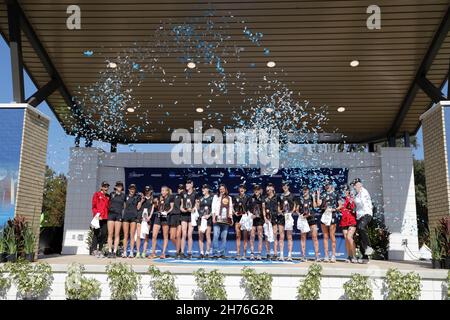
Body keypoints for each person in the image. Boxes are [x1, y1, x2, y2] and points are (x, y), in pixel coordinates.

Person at [314, 181, 340, 263]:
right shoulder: (323, 194)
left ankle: (333, 255)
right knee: (325, 236)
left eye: (328, 185)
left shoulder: (336, 194)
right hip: (324, 216)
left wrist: (334, 209)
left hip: (332, 215)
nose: (327, 186)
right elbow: (318, 204)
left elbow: (340, 205)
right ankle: (326, 255)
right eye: (325, 185)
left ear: (331, 185)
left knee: (332, 235)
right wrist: (317, 195)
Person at [295, 185, 320, 262]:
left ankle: (317, 256)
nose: (305, 191)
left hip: (312, 219)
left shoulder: (311, 198)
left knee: (314, 237)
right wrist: (301, 215)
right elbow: (296, 209)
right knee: (303, 238)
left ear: (308, 190)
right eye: (304, 190)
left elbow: (316, 206)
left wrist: (314, 197)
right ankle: (303, 256)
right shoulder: (300, 199)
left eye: (306, 190)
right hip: (304, 220)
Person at [352, 178, 374, 264]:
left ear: (360, 184)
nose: (354, 187)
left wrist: (356, 195)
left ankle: (369, 246)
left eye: (355, 185)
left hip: (366, 214)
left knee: (361, 227)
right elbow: (357, 207)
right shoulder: (357, 195)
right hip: (359, 216)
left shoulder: (364, 192)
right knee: (360, 236)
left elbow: (363, 203)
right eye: (354, 186)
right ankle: (365, 257)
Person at [150, 186, 174, 259]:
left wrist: (166, 212)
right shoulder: (159, 197)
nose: (162, 192)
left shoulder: (170, 197)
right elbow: (156, 206)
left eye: (164, 190)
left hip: (165, 216)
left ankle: (163, 253)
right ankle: (153, 253)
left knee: (165, 236)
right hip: (158, 216)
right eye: (161, 190)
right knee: (154, 235)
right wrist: (155, 203)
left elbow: (172, 207)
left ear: (167, 191)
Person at [122, 184, 145, 258]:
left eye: (133, 189)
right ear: (128, 189)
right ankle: (125, 252)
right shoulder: (126, 196)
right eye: (131, 189)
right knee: (125, 235)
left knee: (132, 235)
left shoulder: (137, 197)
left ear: (135, 190)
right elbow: (124, 206)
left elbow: (138, 207)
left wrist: (141, 201)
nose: (132, 190)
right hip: (126, 217)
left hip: (133, 217)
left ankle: (131, 252)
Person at [212, 184, 233, 258]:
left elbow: (230, 209)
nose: (222, 190)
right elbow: (213, 207)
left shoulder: (229, 198)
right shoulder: (216, 197)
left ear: (225, 189)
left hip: (226, 219)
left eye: (223, 189)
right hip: (217, 218)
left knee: (224, 236)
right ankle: (215, 253)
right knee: (215, 235)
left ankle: (222, 253)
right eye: (220, 189)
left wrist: (231, 219)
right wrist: (213, 217)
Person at [247, 184, 266, 260]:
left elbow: (264, 209)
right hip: (252, 220)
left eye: (257, 190)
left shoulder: (263, 199)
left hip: (260, 219)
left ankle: (259, 253)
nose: (256, 191)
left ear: (260, 190)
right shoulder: (251, 198)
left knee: (260, 236)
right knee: (252, 236)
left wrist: (264, 218)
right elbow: (248, 209)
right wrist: (251, 215)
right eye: (255, 190)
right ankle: (252, 253)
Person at [91, 181, 110, 258]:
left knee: (104, 234)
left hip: (105, 218)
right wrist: (97, 215)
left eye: (107, 186)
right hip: (98, 217)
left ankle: (100, 250)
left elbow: (109, 207)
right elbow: (94, 206)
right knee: (96, 233)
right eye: (104, 186)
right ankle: (94, 250)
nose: (106, 188)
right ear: (101, 187)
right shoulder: (97, 194)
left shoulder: (108, 196)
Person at [106, 181, 125, 258]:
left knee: (117, 234)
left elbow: (125, 205)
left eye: (120, 186)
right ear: (116, 187)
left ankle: (114, 252)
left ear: (122, 187)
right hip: (111, 215)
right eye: (118, 186)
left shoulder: (123, 195)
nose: (119, 187)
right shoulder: (111, 194)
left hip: (118, 215)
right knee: (110, 233)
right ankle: (110, 251)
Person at [339, 184, 357, 263]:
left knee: (349, 237)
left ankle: (354, 256)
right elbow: (340, 209)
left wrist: (351, 200)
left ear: (349, 191)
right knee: (346, 238)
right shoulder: (341, 199)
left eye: (346, 190)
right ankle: (349, 256)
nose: (345, 192)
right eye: (344, 190)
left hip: (351, 220)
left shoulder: (352, 198)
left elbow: (353, 208)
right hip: (344, 221)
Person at [279, 181, 295, 261]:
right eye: (283, 186)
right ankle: (281, 255)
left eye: (286, 186)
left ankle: (289, 255)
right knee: (281, 236)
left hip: (288, 217)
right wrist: (280, 211)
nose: (284, 187)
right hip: (282, 218)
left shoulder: (292, 196)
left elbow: (295, 206)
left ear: (288, 187)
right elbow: (278, 206)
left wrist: (291, 212)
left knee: (289, 237)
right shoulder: (280, 196)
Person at [180, 180, 197, 259]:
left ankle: (189, 252)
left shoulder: (195, 193)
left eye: (188, 184)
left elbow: (197, 204)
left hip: (191, 215)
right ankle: (182, 252)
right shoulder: (183, 193)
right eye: (186, 183)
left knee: (189, 234)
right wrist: (182, 209)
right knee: (183, 234)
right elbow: (181, 205)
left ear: (192, 184)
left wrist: (193, 209)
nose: (186, 185)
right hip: (184, 215)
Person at [136, 186, 154, 258]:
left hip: (147, 220)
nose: (147, 192)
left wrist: (150, 216)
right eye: (146, 190)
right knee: (138, 236)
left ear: (151, 191)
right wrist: (141, 201)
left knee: (146, 236)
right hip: (140, 218)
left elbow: (152, 208)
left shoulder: (152, 199)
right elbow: (138, 207)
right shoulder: (141, 198)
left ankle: (144, 252)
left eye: (148, 190)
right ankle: (137, 252)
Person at [197, 184, 213, 259]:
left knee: (207, 235)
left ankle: (207, 252)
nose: (202, 190)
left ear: (208, 190)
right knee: (200, 235)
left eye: (204, 188)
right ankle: (201, 252)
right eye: (202, 188)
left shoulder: (212, 198)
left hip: (208, 218)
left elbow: (214, 209)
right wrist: (196, 205)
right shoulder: (200, 198)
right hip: (201, 218)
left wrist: (209, 215)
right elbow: (197, 208)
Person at [233, 184, 249, 260]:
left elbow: (250, 208)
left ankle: (244, 254)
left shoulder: (248, 197)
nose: (241, 189)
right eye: (240, 188)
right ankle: (238, 253)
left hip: (245, 219)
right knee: (238, 236)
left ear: (245, 190)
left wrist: (246, 213)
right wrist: (234, 212)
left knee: (245, 237)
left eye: (243, 188)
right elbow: (232, 207)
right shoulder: (235, 197)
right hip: (237, 219)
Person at [169, 184, 184, 259]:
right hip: (173, 217)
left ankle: (178, 252)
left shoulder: (185, 197)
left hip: (180, 216)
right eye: (179, 188)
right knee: (172, 237)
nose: (180, 190)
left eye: (182, 189)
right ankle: (180, 248)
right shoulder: (173, 196)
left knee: (178, 236)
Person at [265, 183, 279, 260]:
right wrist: (265, 218)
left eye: (269, 189)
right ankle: (268, 253)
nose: (268, 190)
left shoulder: (277, 197)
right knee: (267, 236)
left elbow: (280, 207)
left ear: (273, 189)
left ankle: (275, 254)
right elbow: (263, 209)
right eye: (267, 189)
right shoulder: (265, 198)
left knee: (274, 236)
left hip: (274, 219)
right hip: (267, 219)